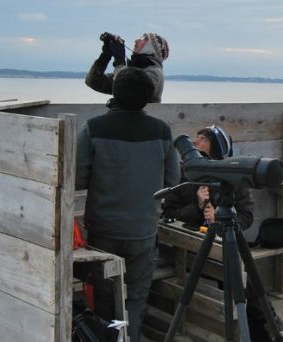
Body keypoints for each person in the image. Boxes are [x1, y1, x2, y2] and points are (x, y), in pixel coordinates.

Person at [160, 126, 283, 342]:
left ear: (215, 147)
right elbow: (168, 212)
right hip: (190, 248)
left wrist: (222, 217)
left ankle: (267, 330)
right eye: (195, 138)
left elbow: (246, 217)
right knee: (239, 275)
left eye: (203, 139)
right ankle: (273, 328)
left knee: (241, 276)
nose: (196, 142)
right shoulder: (186, 177)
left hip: (222, 245)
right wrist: (197, 207)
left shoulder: (233, 178)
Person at [75, 67, 180, 342]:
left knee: (104, 298)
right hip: (143, 232)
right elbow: (173, 179)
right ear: (147, 98)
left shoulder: (93, 128)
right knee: (135, 298)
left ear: (115, 93)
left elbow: (76, 177)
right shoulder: (161, 130)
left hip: (103, 232)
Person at [86, 32, 168, 104]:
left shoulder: (155, 73)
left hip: (138, 121)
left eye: (144, 39)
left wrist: (120, 62)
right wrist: (105, 56)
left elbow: (128, 91)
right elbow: (93, 81)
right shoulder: (131, 72)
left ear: (152, 48)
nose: (136, 40)